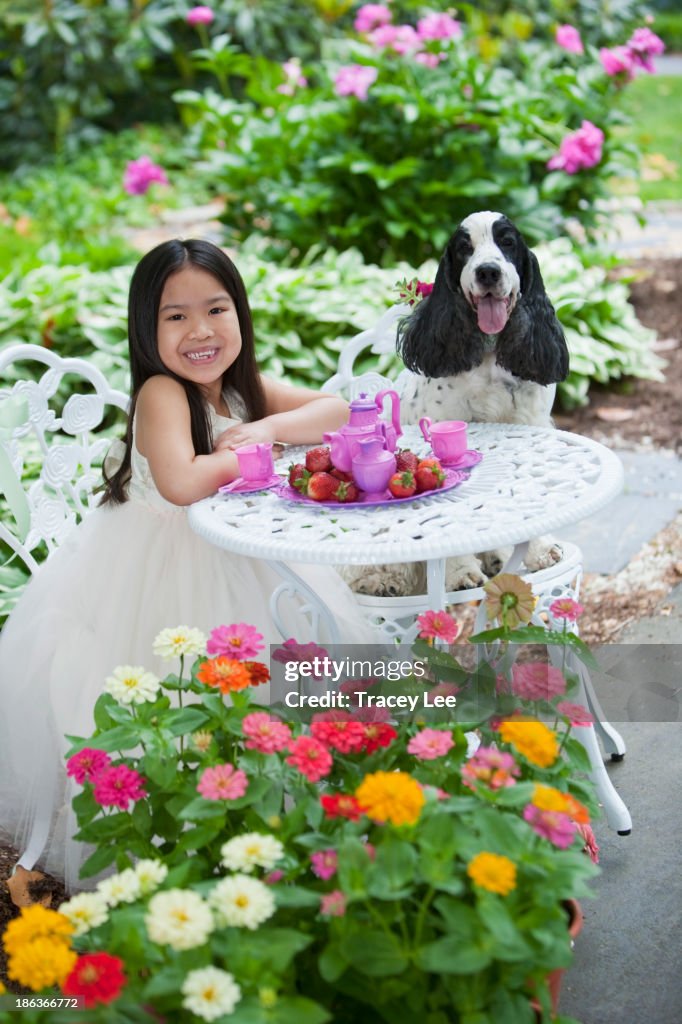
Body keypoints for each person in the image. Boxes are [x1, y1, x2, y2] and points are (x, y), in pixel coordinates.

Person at [0, 238, 375, 900]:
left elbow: (337, 412)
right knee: (186, 703)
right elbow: (180, 480)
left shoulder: (237, 387)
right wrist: (250, 452)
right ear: (147, 328)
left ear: (241, 315)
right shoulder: (163, 393)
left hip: (245, 562)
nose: (201, 331)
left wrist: (266, 429)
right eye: (176, 316)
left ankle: (275, 805)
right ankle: (193, 828)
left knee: (276, 674)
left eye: (217, 309)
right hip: (157, 578)